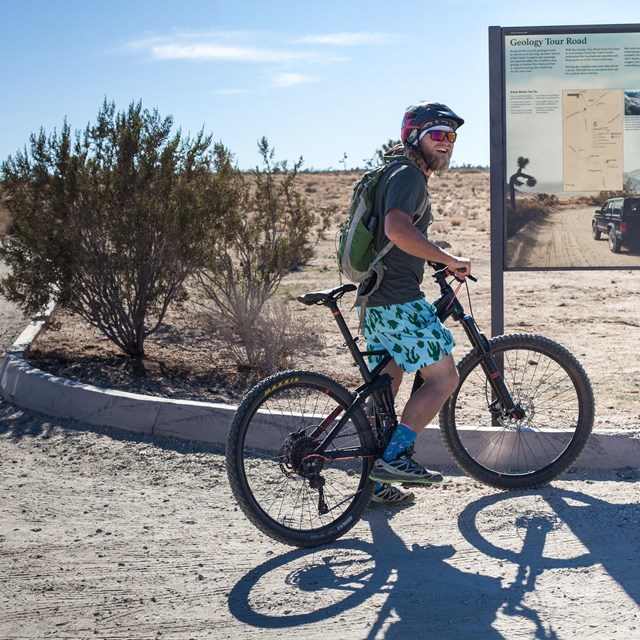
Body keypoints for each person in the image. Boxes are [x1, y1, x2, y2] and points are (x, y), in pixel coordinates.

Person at [364, 101, 472, 506]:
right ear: (414, 137)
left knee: (385, 391)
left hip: (377, 299)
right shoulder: (409, 175)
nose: (446, 143)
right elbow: (397, 228)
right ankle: (394, 458)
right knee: (443, 378)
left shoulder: (395, 171)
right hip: (398, 301)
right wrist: (448, 259)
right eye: (437, 134)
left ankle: (373, 481)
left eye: (451, 136)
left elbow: (396, 237)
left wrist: (435, 254)